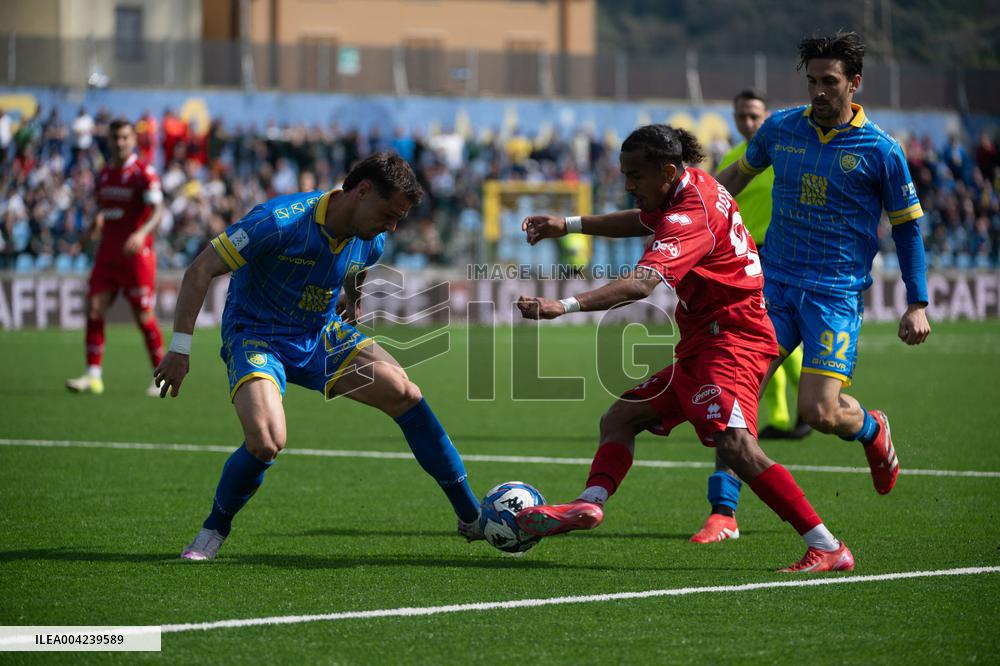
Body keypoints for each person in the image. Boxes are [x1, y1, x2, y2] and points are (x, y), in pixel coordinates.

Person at [514, 125, 854, 573]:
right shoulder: (689, 187)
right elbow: (643, 218)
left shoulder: (690, 214)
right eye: (625, 174)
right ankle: (590, 502)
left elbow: (641, 284)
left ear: (667, 171)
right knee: (621, 417)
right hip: (703, 342)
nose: (628, 184)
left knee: (737, 446)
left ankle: (827, 546)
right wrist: (570, 225)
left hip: (732, 342)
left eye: (635, 176)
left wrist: (564, 305)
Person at [153, 152, 483, 561]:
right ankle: (214, 529)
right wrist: (180, 349)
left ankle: (472, 517)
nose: (392, 227)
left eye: (399, 219)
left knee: (405, 392)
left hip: (320, 334)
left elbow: (357, 267)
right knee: (266, 442)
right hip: (257, 335)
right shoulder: (278, 221)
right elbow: (200, 270)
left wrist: (353, 300)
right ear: (362, 191)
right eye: (389, 214)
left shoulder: (372, 236)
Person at [716, 32, 930, 498]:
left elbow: (907, 229)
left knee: (818, 412)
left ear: (854, 82)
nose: (818, 91)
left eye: (829, 81)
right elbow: (735, 177)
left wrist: (917, 303)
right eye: (812, 81)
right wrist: (692, 211)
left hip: (833, 294)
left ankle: (872, 429)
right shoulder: (780, 128)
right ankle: (722, 510)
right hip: (775, 286)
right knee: (737, 389)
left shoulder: (881, 150)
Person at [690, 89, 811, 544]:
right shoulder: (735, 159)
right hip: (745, 258)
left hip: (783, 258)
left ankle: (802, 411)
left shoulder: (786, 155)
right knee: (757, 352)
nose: (748, 122)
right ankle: (780, 420)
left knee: (766, 349)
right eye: (741, 115)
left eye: (755, 115)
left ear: (767, 116)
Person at [66, 118, 165, 396]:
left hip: (136, 256)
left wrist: (141, 233)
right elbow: (103, 209)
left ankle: (160, 376)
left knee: (143, 317)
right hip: (108, 253)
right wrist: (85, 237)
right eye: (115, 138)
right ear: (108, 140)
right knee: (94, 309)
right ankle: (93, 375)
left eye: (124, 137)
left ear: (133, 139)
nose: (120, 142)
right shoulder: (105, 173)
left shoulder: (143, 172)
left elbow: (158, 210)